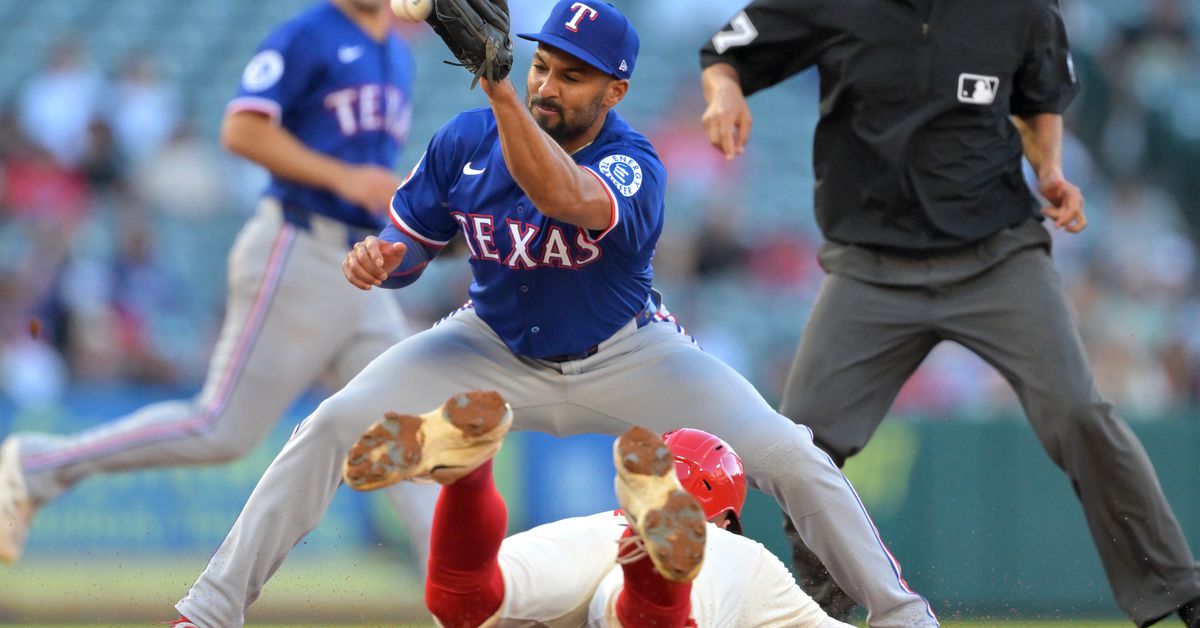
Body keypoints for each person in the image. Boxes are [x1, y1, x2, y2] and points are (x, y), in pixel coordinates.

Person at [169, 2, 939, 627]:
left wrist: (501, 92)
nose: (547, 85)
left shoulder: (634, 164)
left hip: (627, 354)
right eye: (540, 66)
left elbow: (561, 196)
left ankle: (904, 617)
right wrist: (380, 261)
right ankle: (208, 613)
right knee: (333, 425)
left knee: (791, 453)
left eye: (574, 76)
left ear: (615, 93)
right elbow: (408, 245)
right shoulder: (464, 141)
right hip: (489, 346)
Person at [699, 1, 1200, 627]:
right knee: (800, 442)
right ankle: (815, 612)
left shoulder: (1021, 10)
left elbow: (1039, 102)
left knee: (1079, 413)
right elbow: (724, 53)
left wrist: (1048, 169)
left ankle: (1180, 594)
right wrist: (724, 95)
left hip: (997, 258)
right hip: (872, 269)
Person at [0, 0, 440, 569]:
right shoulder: (309, 32)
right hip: (298, 248)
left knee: (401, 431)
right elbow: (241, 129)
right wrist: (344, 177)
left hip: (360, 264)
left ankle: (466, 594)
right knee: (220, 429)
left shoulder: (395, 50)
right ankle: (34, 466)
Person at [343, 390, 853, 627]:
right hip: (674, 564)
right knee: (634, 620)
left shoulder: (592, 523)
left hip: (600, 534)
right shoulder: (745, 558)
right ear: (726, 517)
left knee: (464, 602)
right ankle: (654, 565)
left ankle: (471, 475)